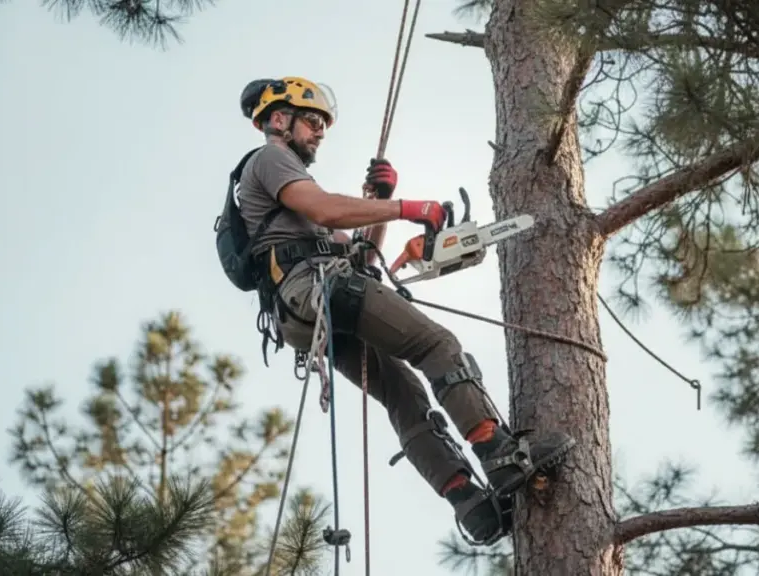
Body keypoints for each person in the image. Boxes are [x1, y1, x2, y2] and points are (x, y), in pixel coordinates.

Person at [233, 76, 575, 545]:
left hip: (305, 312)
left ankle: (470, 504)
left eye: (322, 127)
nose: (318, 133)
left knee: (403, 394)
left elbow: (364, 258)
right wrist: (409, 207)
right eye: (312, 122)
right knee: (435, 344)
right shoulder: (272, 159)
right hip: (318, 291)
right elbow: (329, 210)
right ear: (278, 119)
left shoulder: (288, 204)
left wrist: (376, 205)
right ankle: (500, 455)